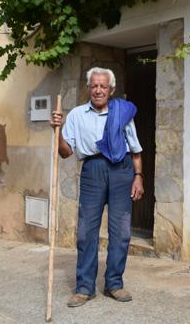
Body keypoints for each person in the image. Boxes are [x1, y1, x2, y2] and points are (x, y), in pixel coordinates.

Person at [50, 67, 144, 307]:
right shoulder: (77, 115)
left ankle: (114, 283)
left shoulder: (122, 113)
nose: (98, 90)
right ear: (88, 88)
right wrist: (57, 132)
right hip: (92, 171)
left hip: (121, 171)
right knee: (86, 232)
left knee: (121, 232)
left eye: (103, 86)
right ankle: (84, 287)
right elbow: (65, 152)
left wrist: (138, 176)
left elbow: (135, 149)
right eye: (94, 86)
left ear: (111, 90)